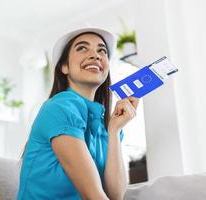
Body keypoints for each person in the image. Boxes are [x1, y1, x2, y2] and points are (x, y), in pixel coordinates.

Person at [17, 27, 139, 200]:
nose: (95, 55)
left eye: (102, 51)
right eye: (82, 48)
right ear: (64, 66)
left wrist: (114, 131)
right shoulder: (59, 107)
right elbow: (94, 196)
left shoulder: (106, 124)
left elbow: (115, 195)